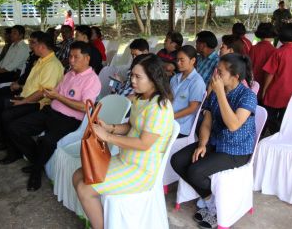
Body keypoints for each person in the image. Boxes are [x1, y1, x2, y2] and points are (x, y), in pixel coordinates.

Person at [73, 54, 174, 229]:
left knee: (85, 189)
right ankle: (98, 218)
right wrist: (109, 128)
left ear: (153, 78)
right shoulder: (141, 98)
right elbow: (130, 126)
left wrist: (108, 137)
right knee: (78, 175)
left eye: (138, 77)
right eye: (132, 75)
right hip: (124, 159)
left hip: (140, 170)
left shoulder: (160, 107)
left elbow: (144, 144)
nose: (133, 81)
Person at [171, 53, 257, 229]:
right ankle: (210, 201)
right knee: (177, 160)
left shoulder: (247, 96)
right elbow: (207, 122)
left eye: (221, 72)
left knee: (195, 171)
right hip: (215, 142)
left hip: (236, 150)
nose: (215, 75)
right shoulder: (217, 91)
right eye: (216, 70)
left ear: (236, 77)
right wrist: (202, 144)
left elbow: (233, 125)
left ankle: (217, 209)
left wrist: (219, 93)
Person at [4, 41, 101, 191]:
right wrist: (50, 94)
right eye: (70, 56)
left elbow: (85, 107)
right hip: (51, 111)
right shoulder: (69, 74)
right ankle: (38, 161)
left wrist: (58, 97)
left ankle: (36, 171)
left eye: (76, 57)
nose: (71, 60)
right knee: (15, 127)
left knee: (47, 141)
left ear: (87, 58)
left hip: (70, 120)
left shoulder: (92, 80)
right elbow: (56, 93)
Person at [0, 31, 64, 151]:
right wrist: (20, 87)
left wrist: (23, 102)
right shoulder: (41, 60)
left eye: (33, 43)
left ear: (42, 46)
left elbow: (42, 93)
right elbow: (34, 84)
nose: (31, 46)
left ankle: (12, 149)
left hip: (38, 103)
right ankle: (6, 140)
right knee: (0, 101)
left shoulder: (52, 65)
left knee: (6, 111)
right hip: (27, 96)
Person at [262, 23, 292, 136]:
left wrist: (264, 90)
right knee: (284, 118)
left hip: (276, 91)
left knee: (269, 116)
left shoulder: (278, 53)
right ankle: (281, 134)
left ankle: (270, 134)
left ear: (280, 37)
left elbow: (270, 74)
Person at [171, 45, 206, 137]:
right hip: (168, 121)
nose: (178, 63)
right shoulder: (175, 78)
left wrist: (170, 117)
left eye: (182, 60)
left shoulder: (197, 82)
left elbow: (192, 108)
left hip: (181, 127)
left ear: (193, 60)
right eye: (177, 60)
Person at [249, 23, 276, 102]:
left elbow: (248, 66)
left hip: (254, 83)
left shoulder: (254, 49)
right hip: (268, 85)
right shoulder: (275, 51)